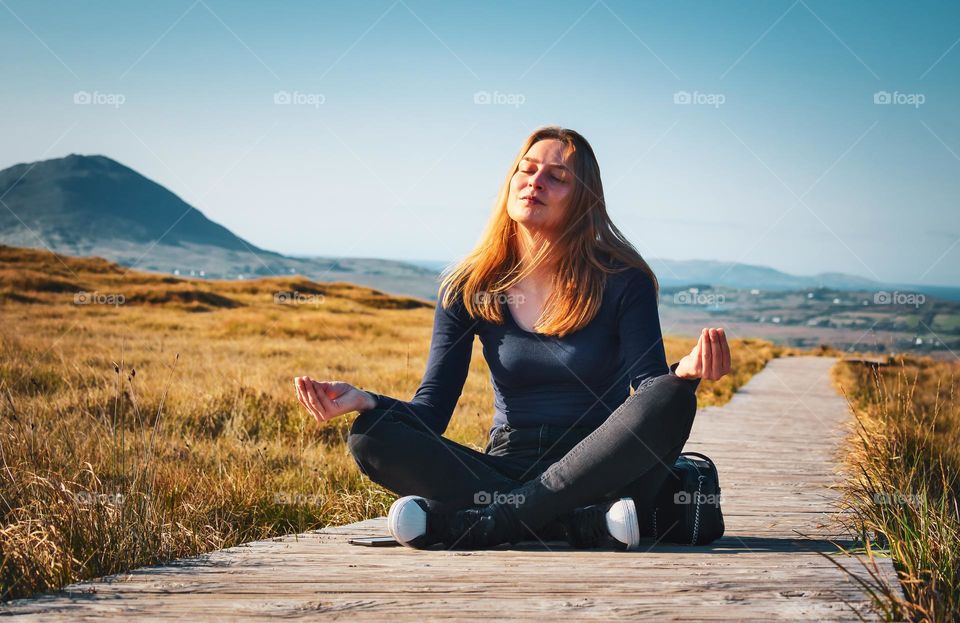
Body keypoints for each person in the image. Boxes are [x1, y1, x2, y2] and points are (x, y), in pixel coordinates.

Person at [294, 126, 731, 551]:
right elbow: (432, 410)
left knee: (672, 397)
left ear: (584, 201)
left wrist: (685, 375)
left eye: (557, 177)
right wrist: (367, 401)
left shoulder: (622, 279)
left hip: (600, 466)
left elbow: (649, 388)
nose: (535, 182)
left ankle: (489, 525)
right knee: (371, 436)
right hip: (506, 464)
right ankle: (580, 523)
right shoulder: (468, 287)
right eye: (527, 170)